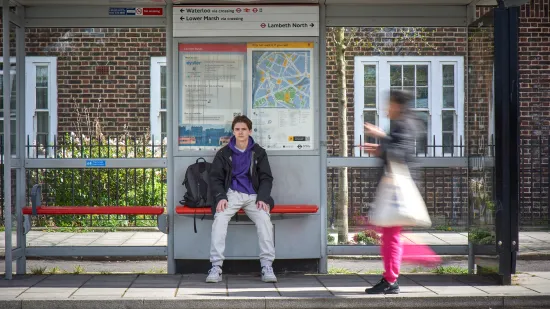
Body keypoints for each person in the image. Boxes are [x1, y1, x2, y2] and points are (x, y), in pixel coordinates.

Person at [362, 89, 422, 294]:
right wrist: (380, 147)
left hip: (397, 190)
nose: (386, 108)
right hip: (394, 188)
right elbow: (394, 150)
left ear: (397, 105)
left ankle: (391, 280)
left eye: (389, 104)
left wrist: (380, 139)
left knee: (391, 235)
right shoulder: (401, 124)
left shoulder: (405, 124)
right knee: (389, 234)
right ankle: (390, 277)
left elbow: (399, 152)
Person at [205, 115, 277, 283]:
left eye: (244, 129)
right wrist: (220, 197)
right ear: (233, 132)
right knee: (220, 218)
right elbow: (215, 178)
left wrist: (263, 198)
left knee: (265, 220)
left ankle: (267, 266)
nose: (240, 132)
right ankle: (216, 266)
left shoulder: (258, 152)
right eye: (237, 129)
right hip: (232, 194)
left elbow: (266, 178)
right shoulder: (224, 153)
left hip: (254, 196)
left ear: (250, 131)